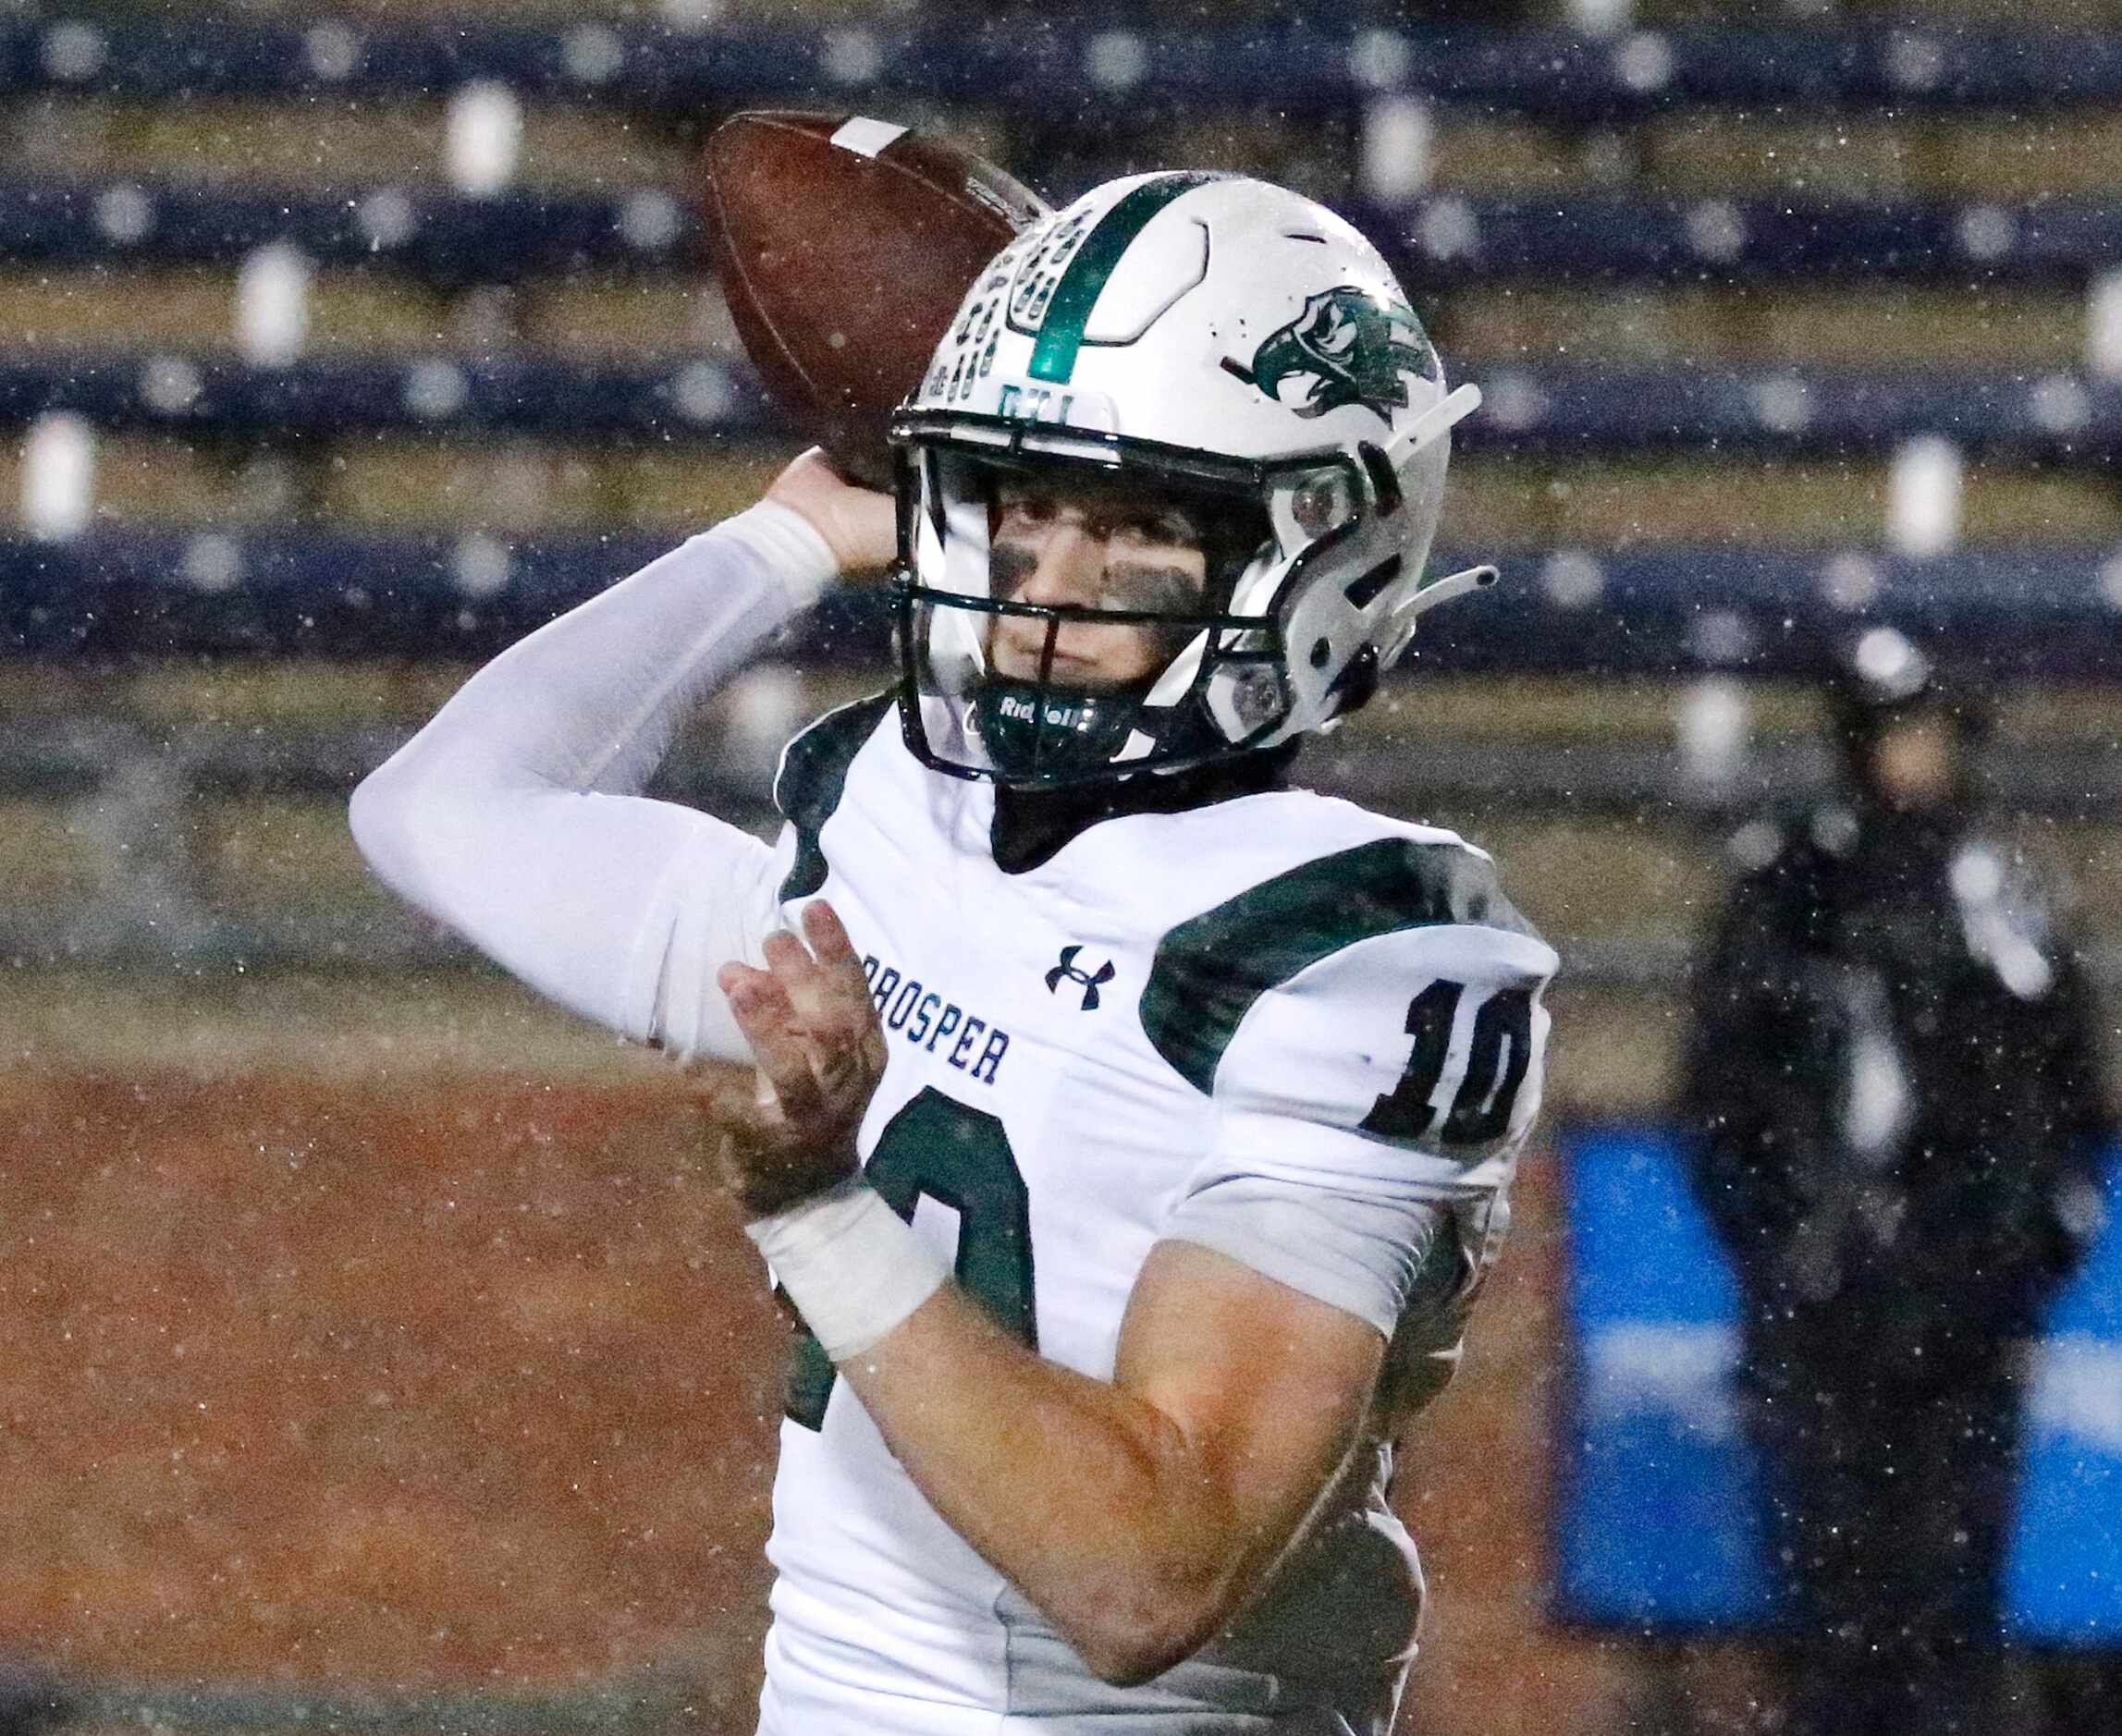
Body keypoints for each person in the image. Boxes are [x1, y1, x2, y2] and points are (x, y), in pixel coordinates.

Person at [350, 171, 1555, 1733]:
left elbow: (1145, 1573)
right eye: (1018, 503)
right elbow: (442, 810)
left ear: (1316, 550)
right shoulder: (890, 822)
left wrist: (816, 1207)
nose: (1045, 589)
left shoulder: (1355, 951)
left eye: (1133, 527)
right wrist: (779, 542)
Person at [1680, 624, 2112, 1736]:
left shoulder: (2003, 898)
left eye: (1933, 734)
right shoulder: (1788, 889)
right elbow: (1725, 1092)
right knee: (1833, 1592)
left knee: (1952, 1592)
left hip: (1968, 1308)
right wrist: (1787, 1253)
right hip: (1830, 1306)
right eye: (1895, 734)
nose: (1916, 760)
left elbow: (2066, 1095)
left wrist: (2026, 1249)